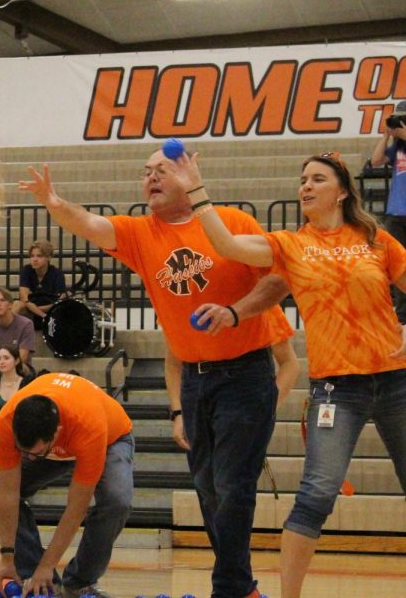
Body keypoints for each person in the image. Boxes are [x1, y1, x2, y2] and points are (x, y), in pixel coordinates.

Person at [20, 147, 299, 598]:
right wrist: (56, 204)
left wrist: (235, 311)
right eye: (145, 172)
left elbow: (279, 279)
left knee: (232, 483)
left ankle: (230, 586)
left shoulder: (231, 222)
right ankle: (242, 585)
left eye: (161, 171)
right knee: (209, 487)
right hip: (194, 377)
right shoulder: (141, 233)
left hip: (245, 374)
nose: (149, 178)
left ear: (187, 174)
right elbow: (91, 225)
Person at [162, 150, 406, 598]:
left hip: (396, 382)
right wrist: (197, 191)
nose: (305, 187)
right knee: (316, 494)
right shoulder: (292, 245)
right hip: (338, 388)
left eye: (317, 179)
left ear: (343, 191)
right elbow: (229, 247)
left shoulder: (376, 239)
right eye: (302, 180)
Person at [0, 373, 134, 598]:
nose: (30, 459)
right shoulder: (6, 421)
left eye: (35, 453)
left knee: (117, 500)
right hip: (61, 442)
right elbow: (7, 492)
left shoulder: (87, 425)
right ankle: (36, 578)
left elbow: (76, 508)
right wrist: (6, 558)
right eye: (24, 452)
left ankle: (79, 582)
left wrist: (49, 564)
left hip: (110, 439)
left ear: (56, 434)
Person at [369, 100, 406, 322]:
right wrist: (386, 135)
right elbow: (375, 160)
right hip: (397, 213)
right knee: (399, 267)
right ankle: (403, 315)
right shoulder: (397, 148)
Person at [15, 241, 67, 329]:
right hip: (33, 310)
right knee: (17, 304)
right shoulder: (27, 270)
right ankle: (4, 336)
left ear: (49, 257)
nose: (34, 259)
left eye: (39, 256)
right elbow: (24, 299)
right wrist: (41, 314)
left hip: (50, 310)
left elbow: (60, 301)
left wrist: (38, 309)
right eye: (32, 256)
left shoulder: (57, 274)